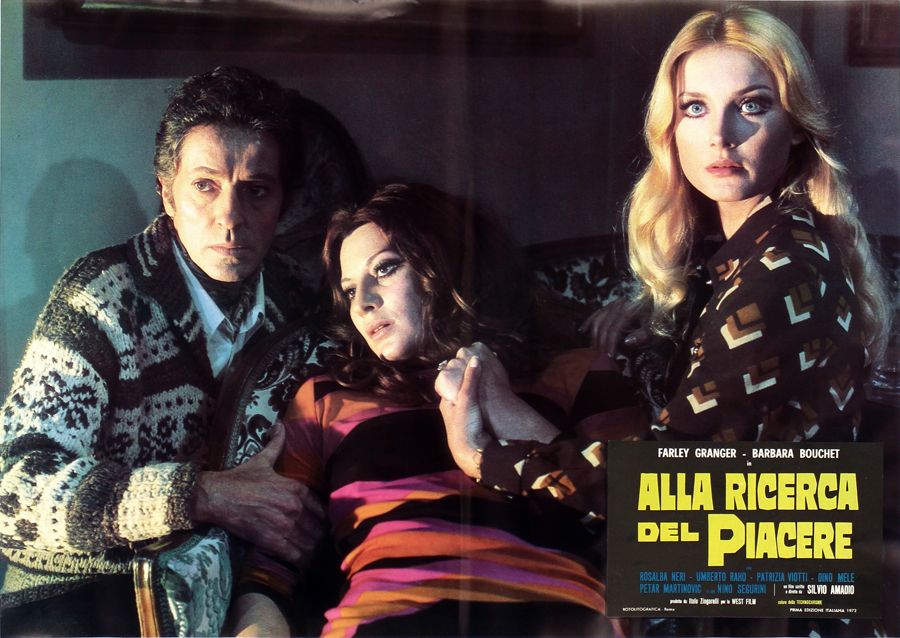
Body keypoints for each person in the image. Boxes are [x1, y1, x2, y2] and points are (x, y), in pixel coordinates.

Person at [440, 6, 890, 637]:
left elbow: (659, 492)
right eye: (695, 108)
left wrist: (482, 455)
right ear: (672, 130)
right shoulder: (745, 253)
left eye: (752, 105)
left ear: (795, 127)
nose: (721, 136)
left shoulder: (783, 271)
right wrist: (655, 316)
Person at [230, 183, 647, 637]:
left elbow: (655, 531)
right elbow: (270, 571)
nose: (363, 303)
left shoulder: (576, 371)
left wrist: (505, 409)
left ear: (443, 263)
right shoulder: (325, 398)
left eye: (385, 268)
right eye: (349, 290)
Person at [0, 66, 324, 635]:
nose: (230, 218)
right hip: (88, 594)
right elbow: (13, 493)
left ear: (285, 202)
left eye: (256, 190)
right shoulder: (100, 297)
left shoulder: (302, 302)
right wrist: (199, 495)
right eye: (205, 186)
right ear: (166, 192)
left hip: (241, 594)